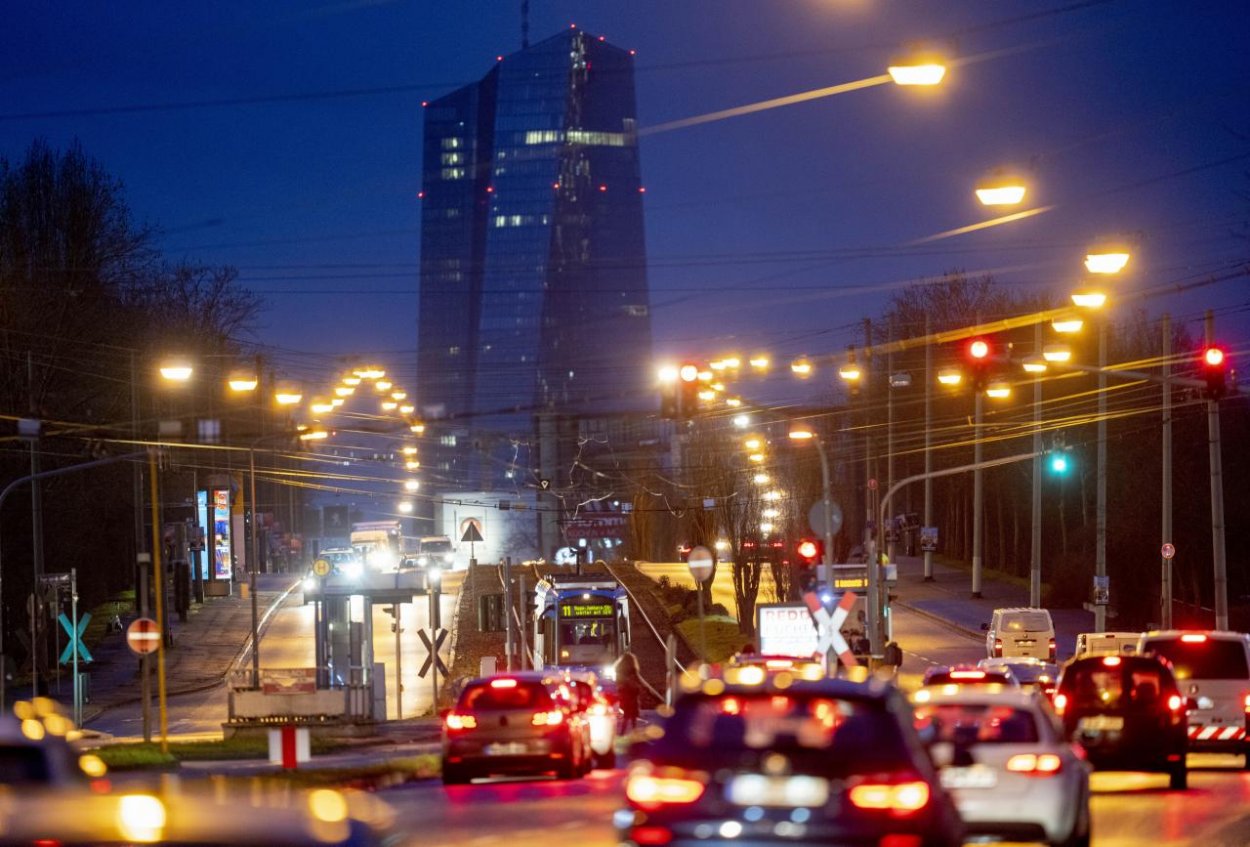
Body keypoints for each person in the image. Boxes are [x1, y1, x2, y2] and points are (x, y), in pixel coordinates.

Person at [614, 651, 642, 733]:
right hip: (632, 693)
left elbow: (617, 681)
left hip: (624, 693)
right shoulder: (633, 669)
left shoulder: (619, 669)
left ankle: (623, 731)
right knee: (633, 714)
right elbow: (638, 680)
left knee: (626, 714)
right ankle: (634, 730)